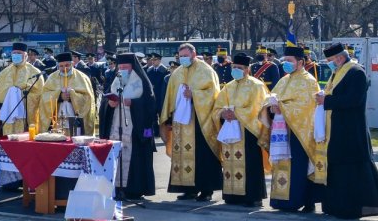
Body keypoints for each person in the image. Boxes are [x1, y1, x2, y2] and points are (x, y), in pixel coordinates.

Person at [314, 43, 378, 219]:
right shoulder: (338, 71)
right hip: (336, 128)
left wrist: (326, 101)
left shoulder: (356, 72)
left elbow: (353, 99)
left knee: (350, 169)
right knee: (337, 167)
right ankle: (335, 205)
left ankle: (351, 208)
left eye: (331, 60)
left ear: (340, 58)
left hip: (351, 129)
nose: (330, 64)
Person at [259, 46, 323, 213]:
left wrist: (282, 108)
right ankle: (282, 201)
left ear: (300, 62)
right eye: (284, 61)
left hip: (299, 132)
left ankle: (303, 201)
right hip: (282, 131)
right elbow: (272, 97)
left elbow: (307, 106)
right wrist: (271, 107)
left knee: (300, 166)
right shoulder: (284, 80)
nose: (286, 64)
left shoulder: (308, 80)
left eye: (289, 61)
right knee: (282, 165)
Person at [160, 43, 222, 201]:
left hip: (200, 121)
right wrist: (167, 117)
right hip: (181, 122)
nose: (183, 59)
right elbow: (170, 95)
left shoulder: (206, 70)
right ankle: (188, 189)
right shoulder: (177, 73)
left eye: (186, 56)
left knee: (202, 156)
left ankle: (206, 190)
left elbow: (213, 93)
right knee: (182, 156)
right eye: (181, 56)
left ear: (194, 55)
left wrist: (193, 94)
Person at [97, 53, 157, 202]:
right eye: (120, 67)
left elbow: (150, 106)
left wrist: (134, 104)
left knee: (134, 157)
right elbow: (106, 99)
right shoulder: (115, 79)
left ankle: (133, 189)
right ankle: (116, 187)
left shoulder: (142, 81)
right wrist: (109, 105)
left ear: (133, 66)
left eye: (125, 67)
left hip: (134, 128)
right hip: (116, 124)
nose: (122, 69)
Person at [214, 52, 269, 207]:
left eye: (239, 68)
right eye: (234, 67)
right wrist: (223, 113)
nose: (235, 70)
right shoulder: (228, 87)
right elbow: (217, 107)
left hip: (249, 132)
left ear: (247, 69)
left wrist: (236, 113)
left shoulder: (256, 85)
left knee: (250, 164)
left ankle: (253, 196)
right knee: (230, 162)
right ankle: (232, 195)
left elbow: (258, 108)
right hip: (230, 130)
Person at [0, 42, 45, 142]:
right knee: (7, 141)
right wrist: (2, 103)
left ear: (25, 55)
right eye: (14, 53)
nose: (16, 56)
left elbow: (39, 94)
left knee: (24, 144)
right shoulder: (5, 72)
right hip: (6, 115)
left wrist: (19, 95)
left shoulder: (34, 72)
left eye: (19, 53)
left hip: (25, 116)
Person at [40, 52, 97, 136]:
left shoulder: (82, 77)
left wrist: (72, 96)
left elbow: (88, 98)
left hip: (76, 119)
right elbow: (44, 96)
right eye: (61, 66)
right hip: (57, 118)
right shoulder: (52, 77)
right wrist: (59, 96)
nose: (64, 68)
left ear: (72, 64)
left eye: (67, 65)